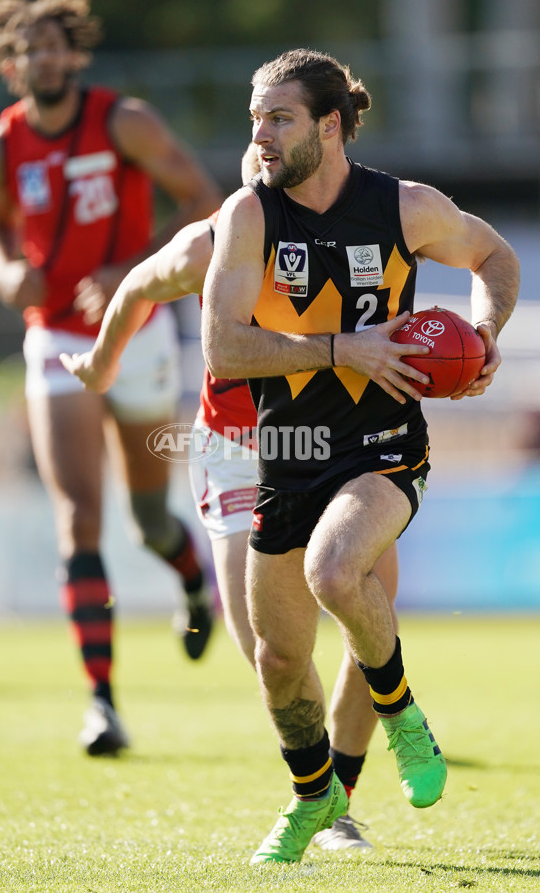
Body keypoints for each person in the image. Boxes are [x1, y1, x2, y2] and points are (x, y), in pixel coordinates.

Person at [201, 48, 519, 864]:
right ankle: (313, 801)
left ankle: (403, 715)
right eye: (255, 119)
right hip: (287, 452)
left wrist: (482, 337)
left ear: (331, 125)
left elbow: (495, 257)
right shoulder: (249, 215)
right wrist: (346, 348)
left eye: (279, 118)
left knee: (336, 570)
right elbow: (226, 351)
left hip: (383, 449)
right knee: (279, 661)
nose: (260, 136)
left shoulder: (404, 207)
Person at [59, 146, 402, 853]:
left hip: (340, 443)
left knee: (371, 624)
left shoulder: (353, 228)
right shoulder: (208, 241)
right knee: (271, 652)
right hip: (239, 452)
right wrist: (100, 361)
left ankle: (342, 802)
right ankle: (319, 795)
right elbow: (135, 289)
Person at [0, 0, 223, 757]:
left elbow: (204, 203)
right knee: (78, 518)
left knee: (148, 522)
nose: (43, 59)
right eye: (28, 49)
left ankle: (190, 582)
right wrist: (4, 271)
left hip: (139, 337)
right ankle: (103, 704)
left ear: (74, 55)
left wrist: (128, 271)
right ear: (11, 64)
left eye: (55, 46)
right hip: (53, 344)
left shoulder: (125, 121)